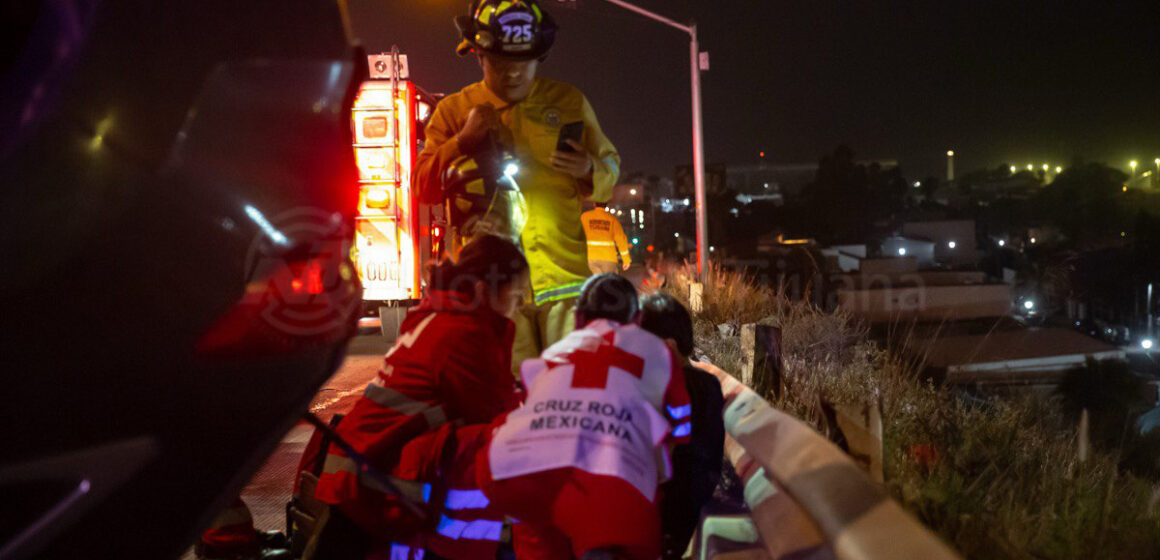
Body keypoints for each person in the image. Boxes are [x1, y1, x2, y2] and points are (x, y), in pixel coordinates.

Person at [415, 0, 621, 376]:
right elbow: (422, 187)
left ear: (538, 57)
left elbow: (610, 168)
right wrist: (461, 142)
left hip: (563, 285)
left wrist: (589, 168)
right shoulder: (454, 112)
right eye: (500, 63)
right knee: (506, 393)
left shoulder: (568, 103)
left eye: (522, 64)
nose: (512, 73)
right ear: (477, 55)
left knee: (569, 389)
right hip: (493, 290)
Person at [313, 235, 529, 560]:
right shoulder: (464, 334)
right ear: (484, 291)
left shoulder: (437, 313)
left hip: (360, 465)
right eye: (516, 294)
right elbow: (496, 418)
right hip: (377, 478)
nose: (520, 304)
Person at [478, 274, 691, 560]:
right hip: (611, 488)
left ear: (578, 318)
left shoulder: (551, 356)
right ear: (637, 318)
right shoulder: (658, 353)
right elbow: (680, 428)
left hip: (519, 475)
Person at [639, 293, 726, 560]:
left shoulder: (660, 388)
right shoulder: (709, 386)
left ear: (668, 346)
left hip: (663, 514)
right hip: (690, 515)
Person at [580, 202, 632, 274]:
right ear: (606, 205)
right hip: (608, 258)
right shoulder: (612, 219)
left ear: (594, 204)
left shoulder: (584, 217)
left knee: (594, 280)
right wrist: (626, 259)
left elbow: (577, 234)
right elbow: (621, 239)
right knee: (608, 280)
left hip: (589, 257)